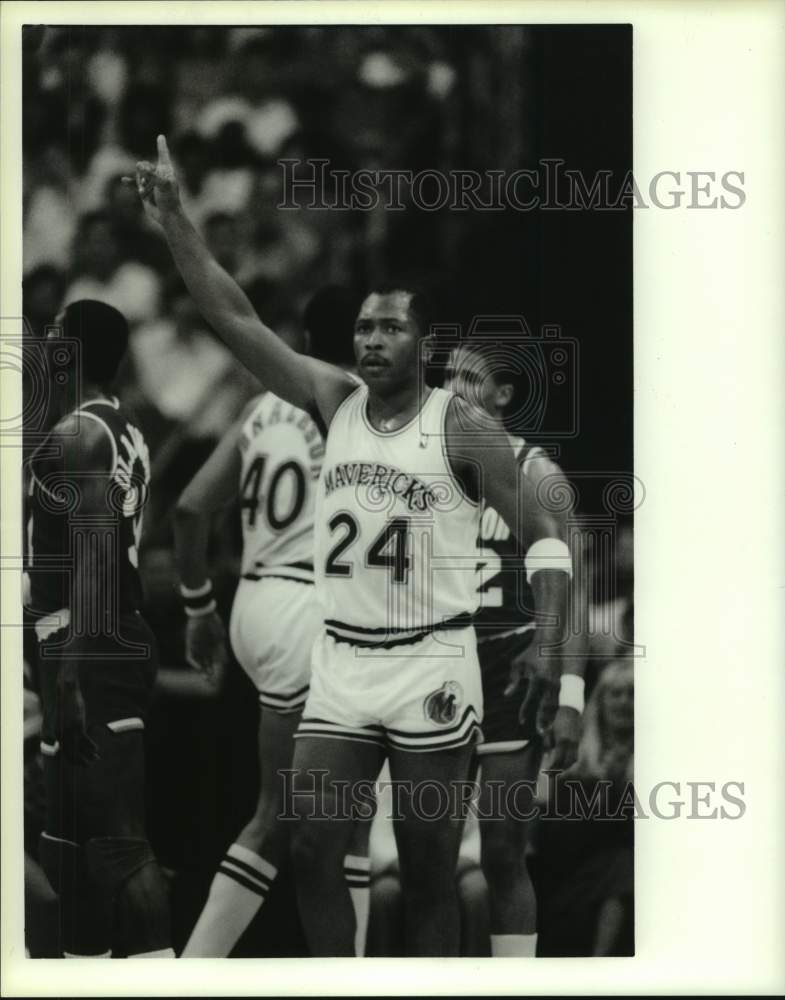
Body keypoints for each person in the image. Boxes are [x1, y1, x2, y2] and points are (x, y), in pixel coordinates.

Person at [132, 135, 572, 957]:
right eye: (364, 328)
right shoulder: (330, 397)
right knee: (307, 846)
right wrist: (176, 224)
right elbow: (233, 317)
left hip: (429, 662)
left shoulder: (461, 426)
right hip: (340, 656)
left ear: (422, 344)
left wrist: (550, 651)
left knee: (430, 866)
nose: (370, 340)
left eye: (390, 329)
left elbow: (544, 534)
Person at [173, 289, 371, 958]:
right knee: (291, 818)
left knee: (328, 813)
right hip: (308, 614)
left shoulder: (260, 410)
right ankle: (196, 966)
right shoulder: (350, 400)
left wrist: (198, 607)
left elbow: (191, 511)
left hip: (250, 607)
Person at [24, 299, 173, 958]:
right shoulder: (122, 425)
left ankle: (161, 972)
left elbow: (95, 557)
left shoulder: (82, 434)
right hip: (81, 637)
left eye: (54, 335)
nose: (43, 345)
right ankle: (82, 973)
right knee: (68, 838)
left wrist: (73, 671)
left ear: (72, 352)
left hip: (94, 643)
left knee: (117, 840)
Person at [444, 340, 585, 957]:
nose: (452, 388)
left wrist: (572, 697)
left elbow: (574, 597)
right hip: (435, 664)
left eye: (469, 378)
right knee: (426, 854)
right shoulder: (425, 464)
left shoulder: (539, 473)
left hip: (509, 667)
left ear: (503, 394)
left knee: (502, 852)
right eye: (446, 376)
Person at [534, 659, 634, 957]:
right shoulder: (575, 759)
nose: (624, 702)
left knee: (624, 864)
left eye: (632, 694)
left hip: (627, 870)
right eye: (615, 693)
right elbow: (553, 835)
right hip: (573, 871)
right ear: (600, 701)